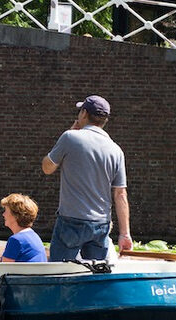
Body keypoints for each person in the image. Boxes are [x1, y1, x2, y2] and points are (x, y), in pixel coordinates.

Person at [42, 95, 132, 262]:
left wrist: (69, 133)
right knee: (95, 275)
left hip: (71, 221)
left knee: (59, 273)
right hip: (101, 224)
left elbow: (47, 168)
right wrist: (124, 233)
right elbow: (120, 195)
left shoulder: (70, 137)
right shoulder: (116, 150)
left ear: (84, 113)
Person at [0, 193, 47, 263]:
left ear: (15, 215)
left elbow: (2, 269)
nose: (3, 214)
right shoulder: (34, 236)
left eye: (6, 211)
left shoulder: (16, 240)